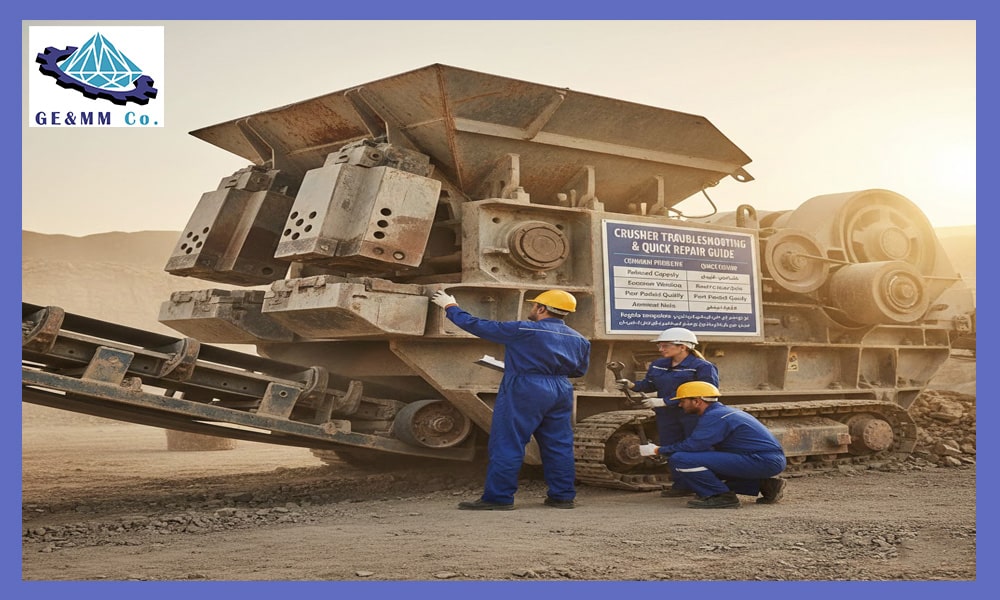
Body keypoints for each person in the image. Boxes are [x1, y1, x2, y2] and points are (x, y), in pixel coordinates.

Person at [429, 288, 591, 511]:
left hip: (526, 388)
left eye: (534, 306)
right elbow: (579, 371)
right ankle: (563, 497)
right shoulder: (579, 339)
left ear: (542, 308)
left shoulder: (524, 329)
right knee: (558, 444)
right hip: (561, 388)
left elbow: (478, 325)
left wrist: (451, 306)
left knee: (508, 441)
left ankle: (498, 498)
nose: (532, 309)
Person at [637, 381, 787, 509]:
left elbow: (693, 446)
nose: (680, 405)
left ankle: (722, 496)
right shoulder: (722, 412)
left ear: (697, 401)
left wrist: (658, 450)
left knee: (681, 459)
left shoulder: (714, 417)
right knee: (702, 467)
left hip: (761, 460)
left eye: (682, 401)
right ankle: (766, 485)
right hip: (764, 459)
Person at [615, 327, 719, 498]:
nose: (660, 349)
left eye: (665, 346)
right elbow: (649, 384)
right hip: (667, 416)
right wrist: (631, 385)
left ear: (683, 347)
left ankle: (705, 486)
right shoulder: (658, 365)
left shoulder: (702, 367)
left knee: (697, 449)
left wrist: (665, 401)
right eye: (660, 346)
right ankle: (681, 485)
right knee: (671, 448)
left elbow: (707, 393)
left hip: (693, 415)